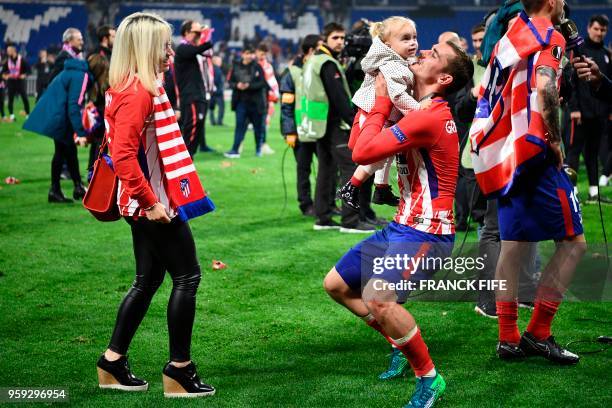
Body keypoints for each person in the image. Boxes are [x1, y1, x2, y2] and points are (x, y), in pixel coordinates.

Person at [324, 40, 473, 408]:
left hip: (427, 231)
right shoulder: (415, 107)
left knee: (378, 297)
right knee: (337, 286)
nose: (422, 53)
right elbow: (362, 143)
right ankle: (398, 340)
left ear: (444, 78)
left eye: (433, 55)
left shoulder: (430, 116)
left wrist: (379, 98)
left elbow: (361, 151)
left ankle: (429, 378)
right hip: (402, 224)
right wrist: (382, 101)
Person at [96, 12, 216, 397]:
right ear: (147, 48)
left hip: (144, 203)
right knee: (187, 277)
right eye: (164, 45)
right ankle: (179, 371)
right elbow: (125, 156)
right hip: (151, 205)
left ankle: (112, 362)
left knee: (148, 281)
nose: (170, 52)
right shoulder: (139, 92)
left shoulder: (135, 86)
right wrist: (151, 202)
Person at [469, 0, 586, 364]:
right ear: (551, 2)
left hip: (505, 153)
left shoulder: (510, 35)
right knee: (573, 244)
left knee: (513, 244)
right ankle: (538, 332)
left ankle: (507, 337)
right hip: (534, 152)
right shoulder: (548, 35)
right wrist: (555, 139)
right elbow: (546, 89)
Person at [336, 17, 424, 214]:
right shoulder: (392, 66)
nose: (412, 43)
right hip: (374, 114)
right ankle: (352, 186)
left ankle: (381, 189)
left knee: (388, 153)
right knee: (379, 153)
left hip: (381, 115)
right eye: (405, 39)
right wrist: (420, 111)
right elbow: (398, 96)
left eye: (414, 37)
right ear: (388, 45)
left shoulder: (397, 60)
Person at [304, 22, 374, 233]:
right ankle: (350, 221)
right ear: (324, 39)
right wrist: (354, 121)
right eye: (335, 38)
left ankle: (323, 217)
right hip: (334, 124)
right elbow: (339, 99)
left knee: (326, 171)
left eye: (343, 38)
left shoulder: (314, 60)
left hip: (320, 124)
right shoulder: (327, 63)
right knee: (350, 169)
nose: (340, 42)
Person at [23, 55, 90, 202]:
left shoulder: (69, 71)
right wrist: (80, 132)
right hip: (60, 117)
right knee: (62, 152)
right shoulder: (81, 75)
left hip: (56, 114)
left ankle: (75, 186)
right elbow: (74, 105)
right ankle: (58, 189)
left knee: (68, 151)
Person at [566, 14, 611, 202]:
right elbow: (572, 82)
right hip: (580, 113)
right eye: (596, 29)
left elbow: (608, 86)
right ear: (588, 29)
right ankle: (572, 190)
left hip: (599, 113)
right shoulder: (578, 50)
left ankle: (594, 192)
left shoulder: (608, 55)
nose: (599, 33)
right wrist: (574, 108)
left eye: (603, 30)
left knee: (593, 152)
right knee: (574, 151)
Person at [279, 34, 321, 217]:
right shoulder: (292, 73)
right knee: (303, 169)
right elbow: (286, 106)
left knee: (327, 170)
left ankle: (325, 203)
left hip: (320, 129)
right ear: (310, 51)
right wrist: (289, 131)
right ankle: (306, 204)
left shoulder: (320, 69)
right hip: (299, 130)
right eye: (319, 49)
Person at [174, 20, 214, 156]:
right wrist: (205, 35)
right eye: (196, 32)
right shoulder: (183, 48)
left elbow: (208, 51)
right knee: (191, 128)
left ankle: (189, 161)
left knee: (198, 128)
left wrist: (203, 36)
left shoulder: (194, 49)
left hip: (199, 94)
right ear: (186, 33)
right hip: (190, 96)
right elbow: (202, 48)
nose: (199, 35)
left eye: (200, 33)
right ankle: (185, 161)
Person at [224, 46, 267, 158]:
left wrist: (249, 86)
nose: (249, 56)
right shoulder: (235, 66)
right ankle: (235, 149)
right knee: (239, 126)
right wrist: (237, 85)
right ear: (242, 54)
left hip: (256, 103)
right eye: (247, 53)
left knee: (258, 128)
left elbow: (263, 83)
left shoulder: (257, 66)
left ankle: (258, 149)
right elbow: (230, 81)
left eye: (251, 53)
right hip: (241, 102)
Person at [256, 42, 279, 155]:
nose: (263, 56)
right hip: (251, 98)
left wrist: (274, 95)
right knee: (244, 124)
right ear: (256, 52)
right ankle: (238, 146)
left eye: (265, 54)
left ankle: (263, 144)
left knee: (264, 123)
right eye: (261, 54)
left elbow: (272, 82)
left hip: (264, 98)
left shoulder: (268, 66)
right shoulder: (252, 64)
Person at [2, 44, 30, 122]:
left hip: (20, 82)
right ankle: (12, 116)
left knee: (25, 98)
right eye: (7, 51)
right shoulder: (7, 61)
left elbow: (28, 70)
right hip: (11, 82)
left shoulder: (22, 60)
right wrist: (5, 76)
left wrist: (24, 75)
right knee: (10, 99)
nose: (7, 52)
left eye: (9, 51)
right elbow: (3, 72)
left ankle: (27, 115)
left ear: (13, 51)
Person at [209, 55, 225, 126]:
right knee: (221, 107)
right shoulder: (218, 70)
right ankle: (219, 121)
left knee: (211, 107)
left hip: (212, 92)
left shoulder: (211, 69)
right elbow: (217, 81)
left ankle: (212, 121)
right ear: (215, 61)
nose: (221, 62)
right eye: (219, 61)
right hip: (218, 92)